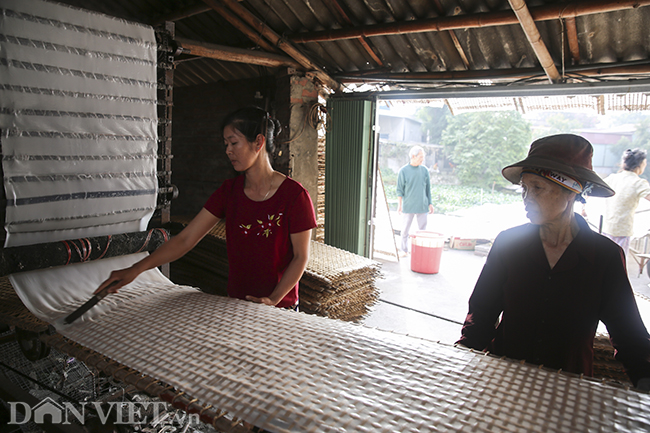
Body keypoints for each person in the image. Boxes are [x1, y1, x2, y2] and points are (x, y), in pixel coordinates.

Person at [456, 134, 650, 389]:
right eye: (524, 188)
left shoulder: (604, 257)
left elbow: (628, 334)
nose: (527, 196)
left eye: (538, 188)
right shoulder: (508, 244)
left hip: (570, 387)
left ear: (571, 192)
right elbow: (480, 315)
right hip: (503, 381)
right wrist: (459, 363)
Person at [96, 106, 317, 309]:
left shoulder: (295, 196)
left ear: (258, 142)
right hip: (237, 305)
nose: (228, 151)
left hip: (281, 309)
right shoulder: (229, 192)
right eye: (225, 144)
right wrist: (135, 269)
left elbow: (300, 257)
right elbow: (185, 239)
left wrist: (272, 299)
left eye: (233, 143)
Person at [601, 148, 650, 255]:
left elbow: (593, 189)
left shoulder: (613, 178)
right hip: (623, 231)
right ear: (640, 165)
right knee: (619, 262)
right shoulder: (638, 183)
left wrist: (584, 208)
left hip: (607, 228)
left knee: (603, 260)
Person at [396, 146, 434, 255]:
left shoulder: (425, 170)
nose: (423, 159)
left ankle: (421, 251)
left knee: (423, 231)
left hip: (422, 206)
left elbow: (428, 189)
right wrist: (400, 205)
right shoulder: (403, 171)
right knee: (405, 231)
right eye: (421, 157)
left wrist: (430, 203)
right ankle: (404, 250)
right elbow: (399, 190)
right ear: (413, 156)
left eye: (423, 157)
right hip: (408, 206)